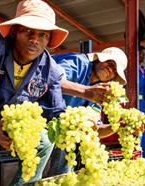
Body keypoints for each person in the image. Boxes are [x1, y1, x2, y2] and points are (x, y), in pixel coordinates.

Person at [0, 0, 69, 185]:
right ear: (14, 32)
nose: (35, 39)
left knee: (46, 141)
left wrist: (83, 127)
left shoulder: (51, 70)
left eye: (43, 34)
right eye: (28, 31)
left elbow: (56, 112)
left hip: (14, 121)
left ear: (49, 40)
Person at [47, 47, 128, 176]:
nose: (110, 69)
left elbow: (95, 130)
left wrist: (118, 126)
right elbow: (52, 81)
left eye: (114, 70)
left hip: (61, 132)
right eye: (110, 63)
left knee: (70, 141)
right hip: (41, 118)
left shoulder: (99, 93)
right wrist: (87, 92)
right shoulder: (78, 62)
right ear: (100, 59)